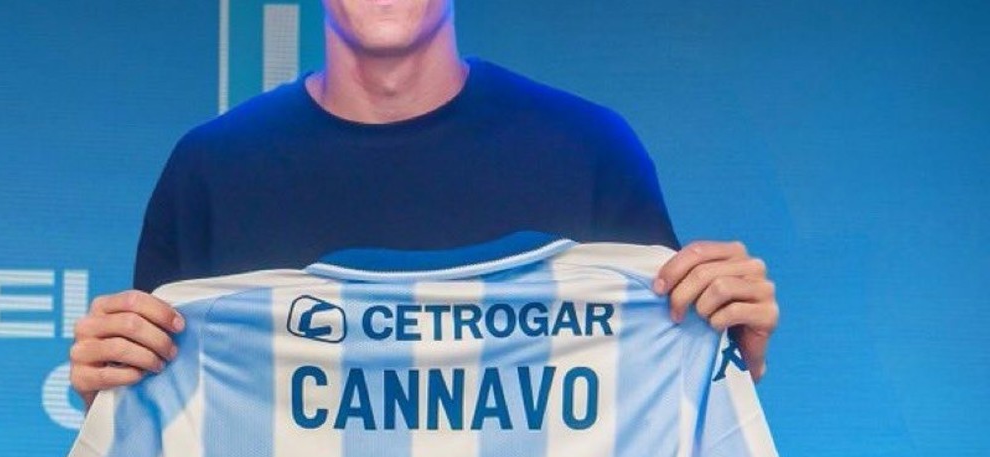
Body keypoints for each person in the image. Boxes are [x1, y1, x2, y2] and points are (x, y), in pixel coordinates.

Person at [69, 0, 778, 408]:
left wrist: (726, 349)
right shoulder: (210, 172)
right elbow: (155, 429)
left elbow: (665, 403)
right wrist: (113, 394)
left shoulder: (590, 150)